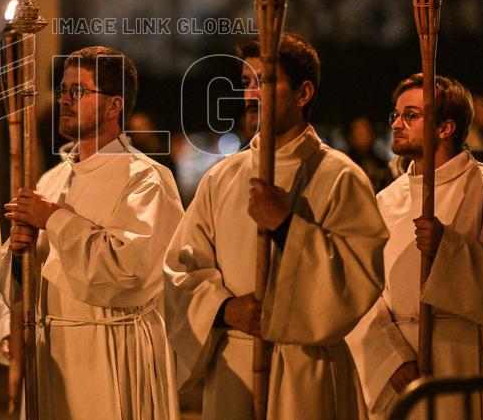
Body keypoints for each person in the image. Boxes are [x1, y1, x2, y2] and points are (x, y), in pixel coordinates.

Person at [163, 32, 388, 419]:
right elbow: (180, 270)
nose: (249, 95)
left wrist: (286, 226)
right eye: (246, 83)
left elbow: (358, 280)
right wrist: (224, 309)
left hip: (308, 371)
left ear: (303, 93)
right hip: (235, 365)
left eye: (264, 82)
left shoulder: (340, 177)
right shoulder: (222, 179)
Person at [0, 45, 184, 419]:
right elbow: (23, 285)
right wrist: (18, 256)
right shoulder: (51, 179)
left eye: (78, 91)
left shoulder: (145, 179)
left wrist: (56, 220)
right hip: (53, 352)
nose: (65, 99)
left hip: (112, 348)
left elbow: (129, 270)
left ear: (115, 106)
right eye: (63, 90)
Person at [346, 74, 483, 419]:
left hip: (468, 360)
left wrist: (448, 250)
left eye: (411, 115)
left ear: (445, 127)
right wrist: (390, 358)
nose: (397, 124)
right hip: (401, 369)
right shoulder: (384, 202)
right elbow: (360, 291)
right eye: (395, 115)